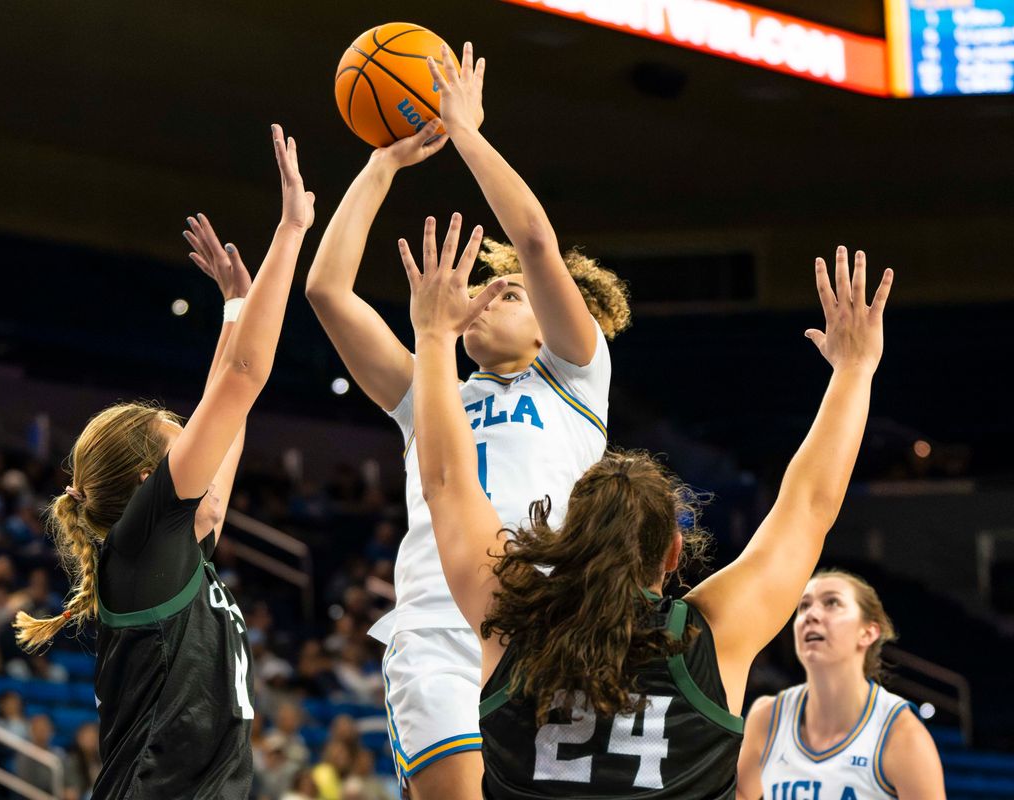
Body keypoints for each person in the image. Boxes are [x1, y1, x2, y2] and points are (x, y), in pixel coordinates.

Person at [404, 231, 894, 799]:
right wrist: (855, 370)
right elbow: (809, 506)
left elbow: (443, 481)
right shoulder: (712, 637)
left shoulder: (514, 617)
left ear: (566, 540)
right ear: (673, 553)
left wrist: (434, 335)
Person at [305, 41, 629, 800]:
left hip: (556, 619)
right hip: (438, 625)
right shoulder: (434, 395)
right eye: (486, 291)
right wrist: (383, 162)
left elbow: (537, 242)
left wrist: (469, 134)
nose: (488, 298)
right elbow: (327, 291)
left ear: (551, 325)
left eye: (510, 295)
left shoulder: (577, 376)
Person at [12, 123, 315, 800]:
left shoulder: (176, 550)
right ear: (151, 483)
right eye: (178, 434)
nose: (194, 434)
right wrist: (291, 230)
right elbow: (240, 382)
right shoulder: (144, 543)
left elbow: (228, 409)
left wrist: (237, 305)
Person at [736, 571, 945, 800]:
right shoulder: (767, 718)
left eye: (832, 603)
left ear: (867, 632)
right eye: (804, 606)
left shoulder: (900, 733)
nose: (811, 615)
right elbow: (741, 794)